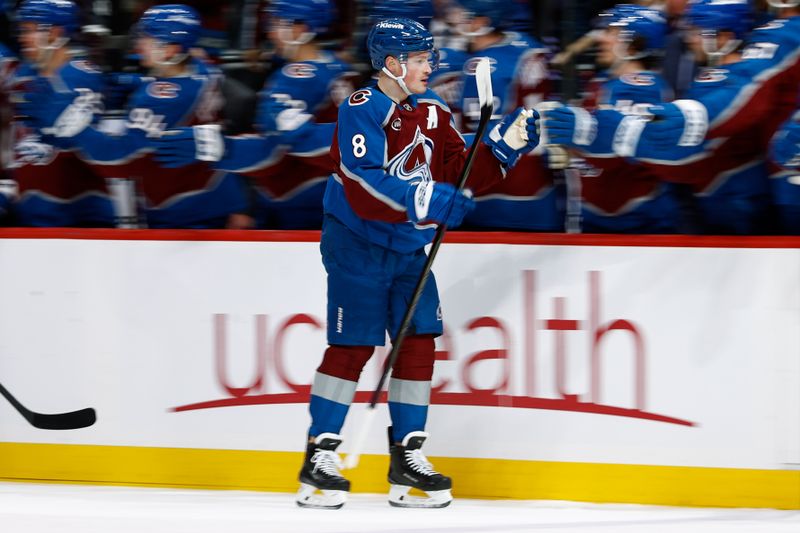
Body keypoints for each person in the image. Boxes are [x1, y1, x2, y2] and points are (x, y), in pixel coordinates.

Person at [295, 17, 539, 509]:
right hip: (357, 243)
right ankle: (319, 458)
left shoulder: (432, 108)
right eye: (423, 59)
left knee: (419, 338)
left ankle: (408, 457)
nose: (432, 66)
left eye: (431, 57)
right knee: (353, 345)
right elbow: (363, 183)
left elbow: (459, 170)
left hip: (408, 245)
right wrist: (425, 199)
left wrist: (504, 148)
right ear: (393, 63)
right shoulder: (360, 109)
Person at [20, 3, 249, 228]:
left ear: (171, 49)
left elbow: (119, 159)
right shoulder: (204, 68)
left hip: (184, 211)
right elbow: (184, 82)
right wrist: (141, 81)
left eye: (147, 39)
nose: (139, 46)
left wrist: (74, 127)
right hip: (214, 194)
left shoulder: (158, 99)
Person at [153, 0, 358, 229]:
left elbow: (274, 151)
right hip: (333, 201)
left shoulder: (297, 76)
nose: (270, 31)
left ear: (301, 29)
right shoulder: (339, 67)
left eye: (278, 22)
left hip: (299, 207)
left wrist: (215, 147)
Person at [543, 4, 681, 233]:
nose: (602, 39)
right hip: (598, 217)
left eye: (612, 33)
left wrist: (575, 142)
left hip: (634, 222)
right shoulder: (602, 83)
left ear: (635, 44)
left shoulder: (642, 87)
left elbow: (624, 149)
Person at [11, 0, 115, 227]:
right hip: (32, 217)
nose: (22, 38)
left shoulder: (82, 77)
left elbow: (87, 146)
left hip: (78, 221)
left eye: (29, 30)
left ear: (56, 31)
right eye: (22, 31)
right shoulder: (22, 77)